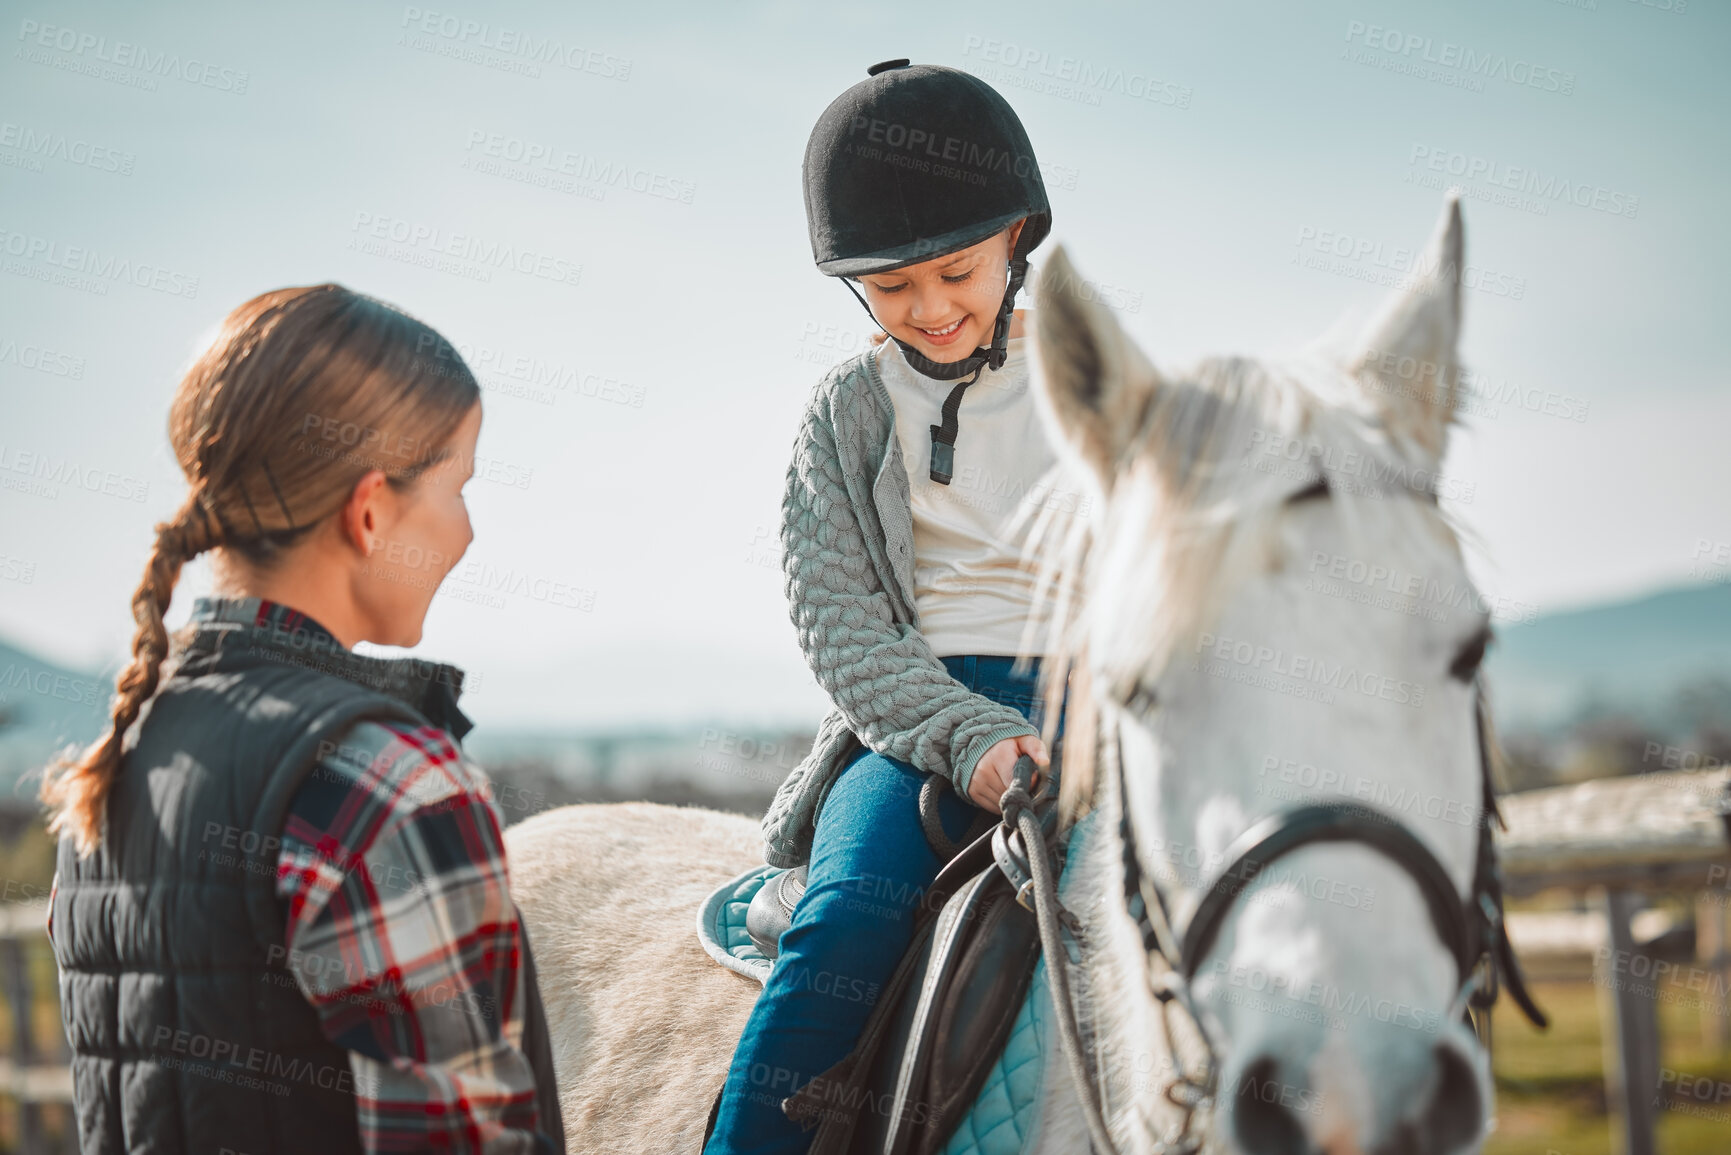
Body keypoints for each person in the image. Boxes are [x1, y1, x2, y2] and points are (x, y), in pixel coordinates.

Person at [41, 285, 566, 1154]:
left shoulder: (120, 751)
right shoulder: (385, 777)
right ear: (369, 512)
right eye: (456, 487)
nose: (468, 533)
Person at [706, 60, 1067, 1153]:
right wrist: (975, 741)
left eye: (955, 271)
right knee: (850, 919)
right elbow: (845, 633)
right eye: (892, 287)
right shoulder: (848, 414)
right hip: (918, 723)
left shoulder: (1101, 381)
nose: (931, 310)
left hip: (1109, 704)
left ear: (1018, 236)